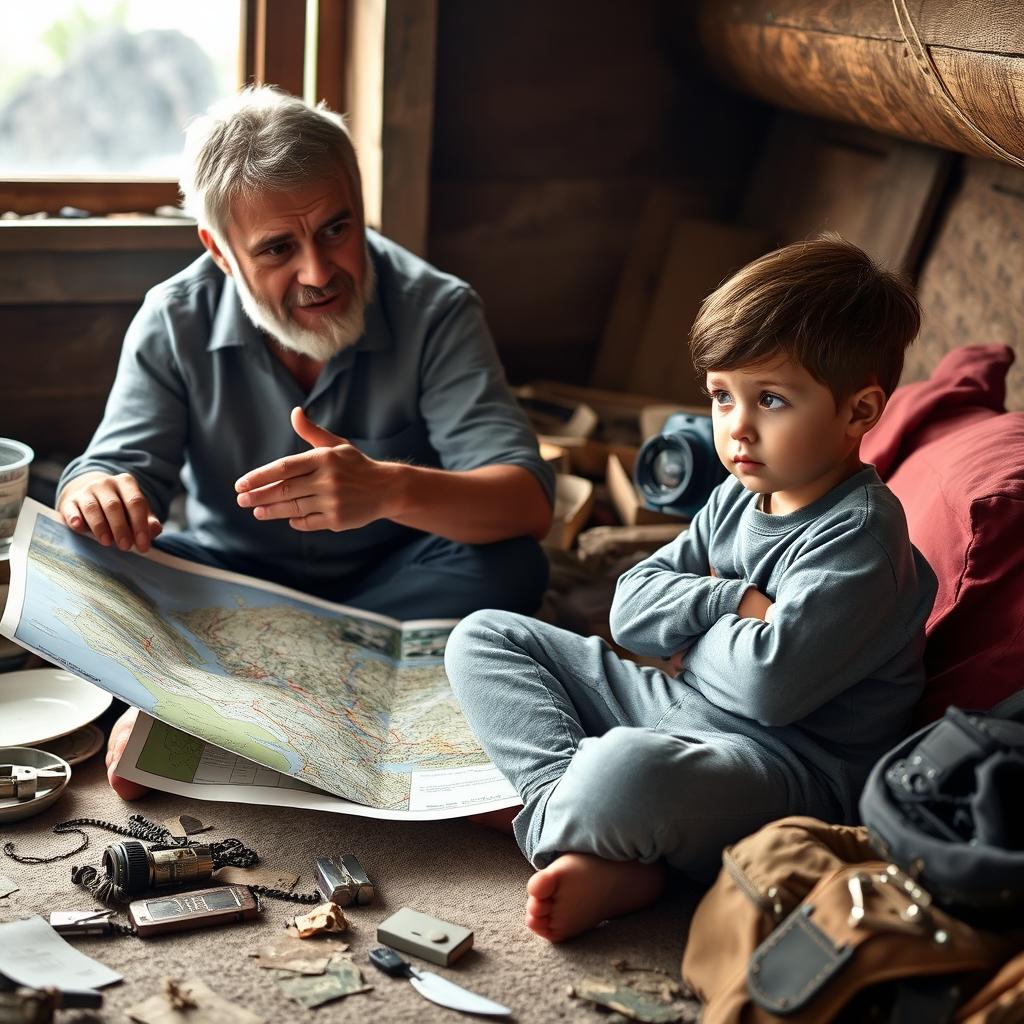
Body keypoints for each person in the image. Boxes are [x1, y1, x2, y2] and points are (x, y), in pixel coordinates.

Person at [55, 86, 554, 796]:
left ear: (359, 203)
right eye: (279, 249)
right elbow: (114, 466)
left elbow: (526, 502)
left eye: (336, 230)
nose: (319, 274)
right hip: (232, 583)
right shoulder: (173, 318)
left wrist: (388, 489)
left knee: (513, 565)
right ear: (220, 253)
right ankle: (337, 693)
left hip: (394, 583)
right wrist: (95, 491)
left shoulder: (437, 308)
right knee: (82, 558)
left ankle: (223, 697)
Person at [444, 235, 938, 942]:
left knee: (623, 772)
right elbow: (630, 608)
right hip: (677, 703)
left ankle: (589, 827)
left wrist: (682, 637)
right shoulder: (740, 492)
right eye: (721, 397)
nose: (737, 429)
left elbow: (769, 688)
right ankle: (579, 822)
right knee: (484, 636)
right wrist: (727, 602)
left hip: (788, 769)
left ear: (859, 411)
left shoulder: (859, 537)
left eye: (770, 398)